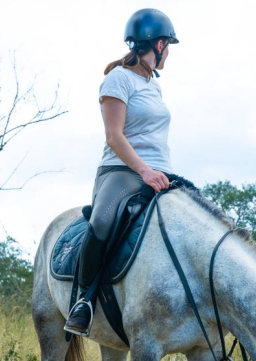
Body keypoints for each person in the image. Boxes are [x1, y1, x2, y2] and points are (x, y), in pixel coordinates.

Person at [64, 8, 179, 336]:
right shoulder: (117, 79)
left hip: (161, 172)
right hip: (121, 170)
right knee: (101, 221)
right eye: (168, 45)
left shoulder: (153, 86)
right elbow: (114, 136)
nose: (168, 52)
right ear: (158, 45)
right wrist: (143, 170)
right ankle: (83, 300)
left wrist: (158, 172)